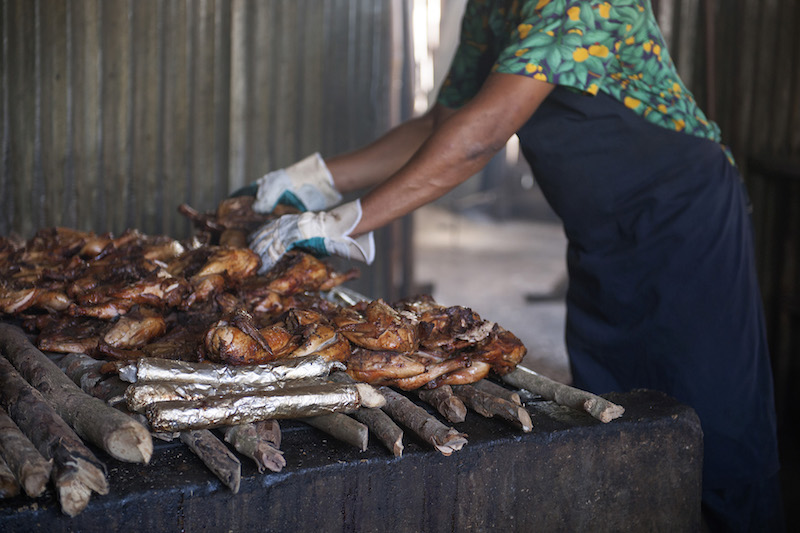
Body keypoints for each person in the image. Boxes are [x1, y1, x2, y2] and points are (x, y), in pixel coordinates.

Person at [236, 1, 783, 530]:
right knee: (617, 412)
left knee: (715, 418)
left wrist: (348, 222)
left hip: (686, 221)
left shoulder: (582, 4)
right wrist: (312, 180)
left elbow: (482, 138)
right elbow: (444, 125)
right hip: (601, 234)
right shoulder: (493, 7)